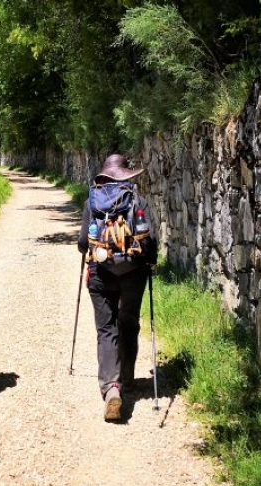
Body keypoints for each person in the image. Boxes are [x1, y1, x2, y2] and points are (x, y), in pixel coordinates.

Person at [77, 154, 157, 421]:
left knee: (106, 329)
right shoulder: (137, 200)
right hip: (133, 273)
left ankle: (112, 389)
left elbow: (81, 243)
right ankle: (128, 378)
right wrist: (151, 262)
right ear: (124, 176)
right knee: (129, 322)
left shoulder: (92, 202)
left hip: (100, 274)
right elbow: (148, 242)